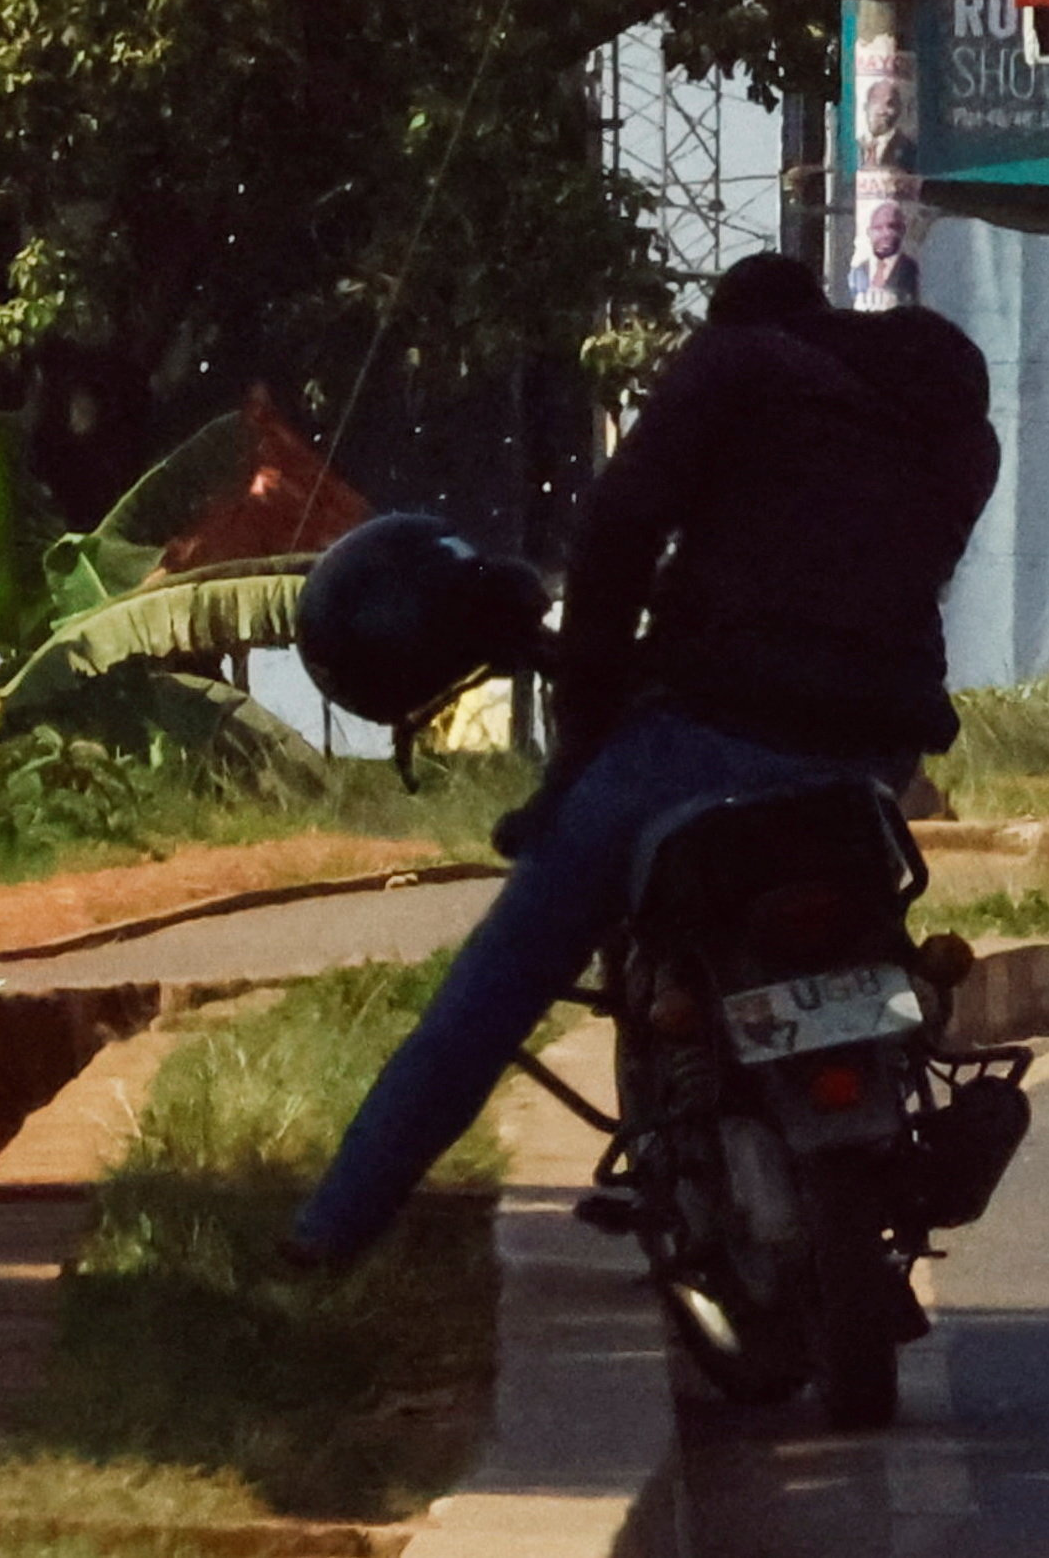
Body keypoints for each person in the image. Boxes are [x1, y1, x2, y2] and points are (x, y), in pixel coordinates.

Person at [288, 257, 998, 1268]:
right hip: (876, 745)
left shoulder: (734, 363)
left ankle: (333, 1225)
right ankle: (880, 1074)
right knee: (876, 931)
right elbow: (863, 558)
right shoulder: (936, 413)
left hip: (715, 727)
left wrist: (578, 747)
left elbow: (618, 532)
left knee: (506, 970)